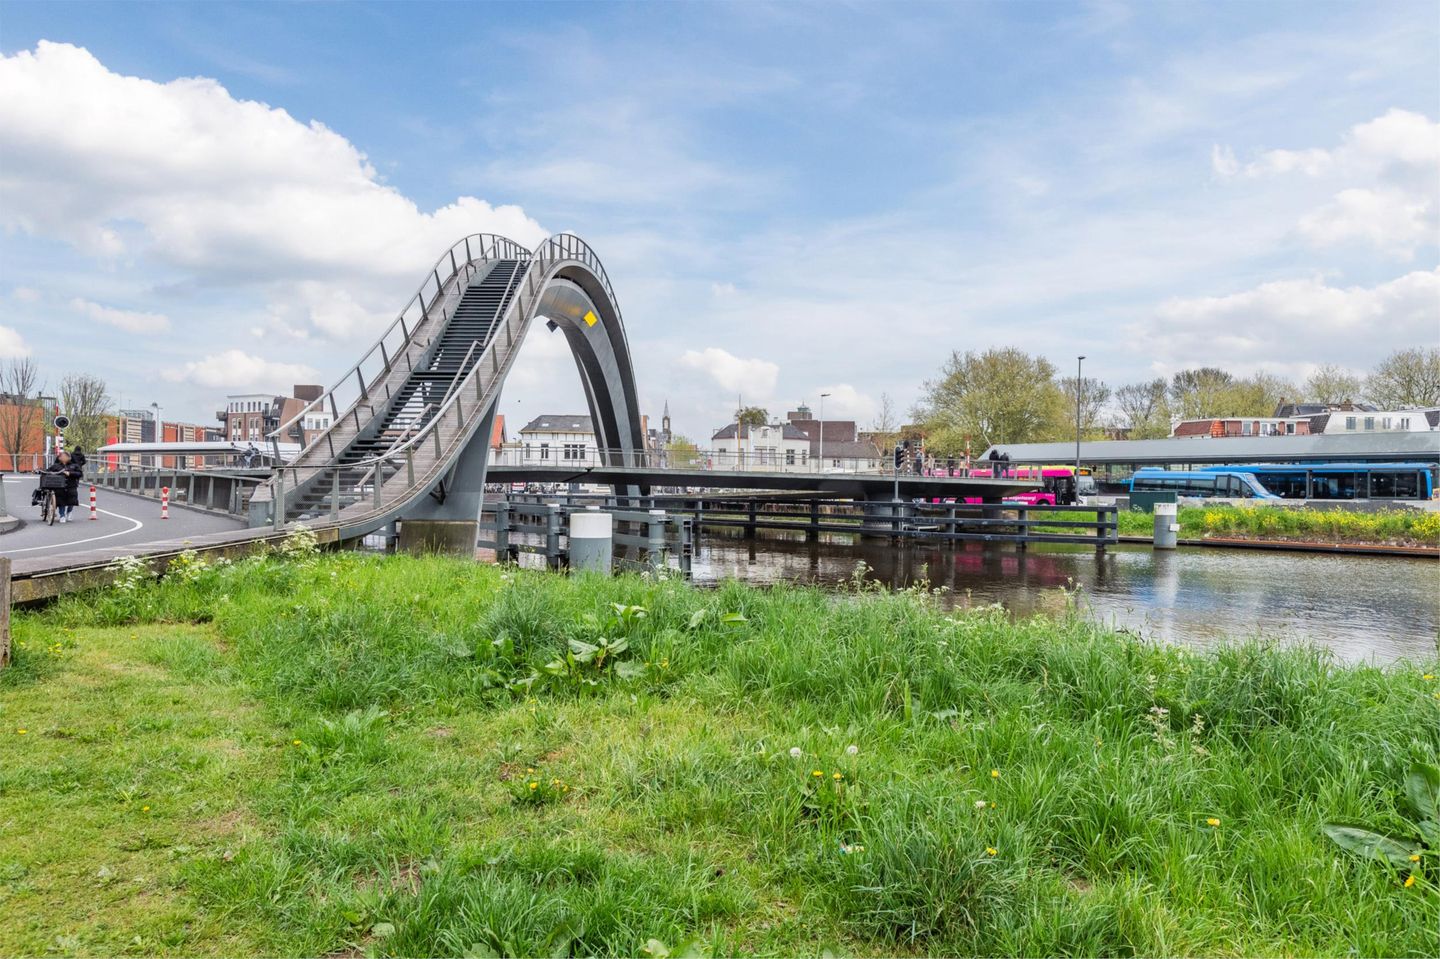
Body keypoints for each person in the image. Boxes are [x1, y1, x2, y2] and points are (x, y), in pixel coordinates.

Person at [43, 450, 83, 523]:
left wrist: (70, 473)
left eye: (64, 456)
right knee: (61, 500)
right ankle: (62, 515)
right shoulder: (55, 466)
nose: (62, 457)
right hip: (59, 486)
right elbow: (47, 472)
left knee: (72, 499)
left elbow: (80, 474)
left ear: (69, 457)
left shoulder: (74, 466)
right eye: (61, 456)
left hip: (71, 485)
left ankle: (69, 512)